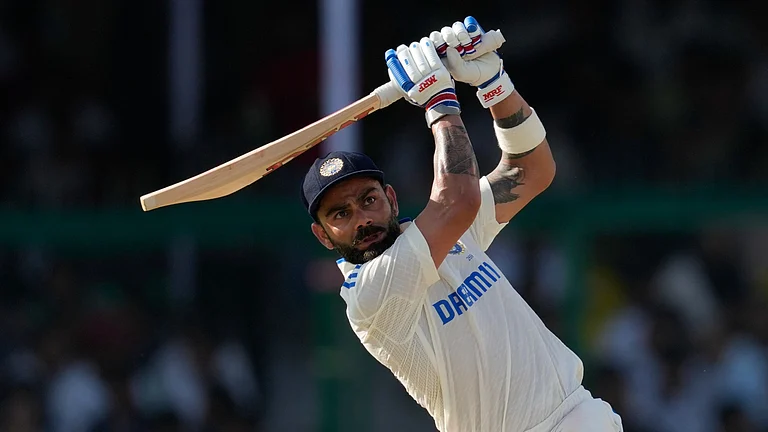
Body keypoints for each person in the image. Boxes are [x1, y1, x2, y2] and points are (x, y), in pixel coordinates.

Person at [300, 16, 624, 432]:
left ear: (391, 199)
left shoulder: (449, 233)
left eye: (368, 200)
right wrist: (439, 101)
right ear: (322, 235)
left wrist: (495, 85)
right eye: (341, 214)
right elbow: (460, 199)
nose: (362, 218)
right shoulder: (370, 293)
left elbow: (532, 171)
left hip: (578, 414)